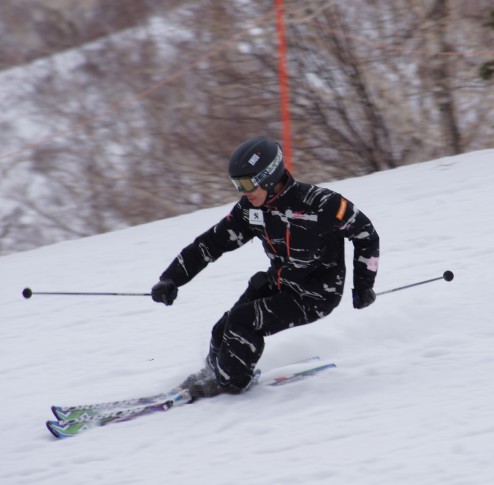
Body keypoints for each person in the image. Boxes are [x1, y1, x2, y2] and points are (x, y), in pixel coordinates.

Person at [151, 135, 380, 398]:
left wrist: (364, 285)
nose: (244, 192)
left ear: (269, 177)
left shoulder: (321, 204)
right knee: (223, 328)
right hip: (281, 282)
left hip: (316, 294)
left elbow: (366, 235)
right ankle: (212, 374)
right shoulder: (251, 210)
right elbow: (211, 243)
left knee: (242, 322)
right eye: (237, 185)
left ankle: (231, 384)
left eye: (248, 184)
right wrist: (171, 279)